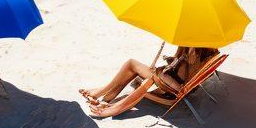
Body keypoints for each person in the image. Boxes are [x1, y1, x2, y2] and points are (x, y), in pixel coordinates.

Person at [80, 47, 218, 119]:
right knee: (134, 67)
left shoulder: (194, 48)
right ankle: (105, 95)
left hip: (173, 86)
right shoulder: (211, 51)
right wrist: (172, 59)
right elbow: (180, 65)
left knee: (131, 64)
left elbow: (180, 76)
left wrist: (160, 72)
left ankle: (108, 102)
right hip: (179, 83)